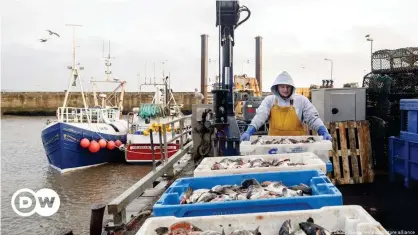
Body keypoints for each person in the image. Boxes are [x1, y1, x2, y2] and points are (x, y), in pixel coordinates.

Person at [240, 71, 332, 141]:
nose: (285, 90)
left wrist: (323, 131)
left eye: (288, 87)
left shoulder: (301, 100)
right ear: (277, 87)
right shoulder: (270, 100)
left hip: (298, 145)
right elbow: (260, 116)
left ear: (292, 87)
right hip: (274, 144)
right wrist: (249, 131)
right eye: (282, 87)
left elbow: (313, 118)